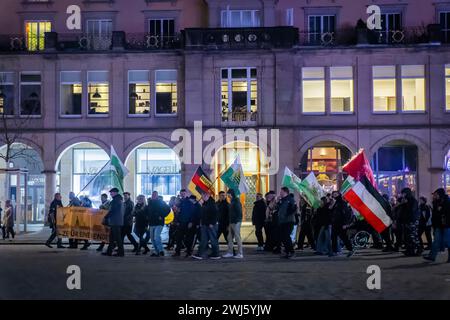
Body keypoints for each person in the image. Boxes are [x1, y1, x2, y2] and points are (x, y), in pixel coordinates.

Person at [424, 188, 450, 263]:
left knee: (447, 242)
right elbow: (435, 215)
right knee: (436, 241)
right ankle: (432, 256)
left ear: (440, 194)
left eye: (436, 195)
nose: (434, 196)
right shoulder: (436, 203)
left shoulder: (447, 202)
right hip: (438, 225)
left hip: (447, 225)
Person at [192, 192, 221, 260]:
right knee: (203, 240)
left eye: (203, 196)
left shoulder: (212, 203)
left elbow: (216, 214)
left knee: (213, 239)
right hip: (205, 224)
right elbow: (203, 214)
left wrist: (212, 223)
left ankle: (216, 254)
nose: (202, 197)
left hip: (211, 225)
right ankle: (200, 254)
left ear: (207, 195)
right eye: (202, 196)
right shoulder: (205, 203)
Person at [330, 191, 354, 257]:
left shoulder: (342, 203)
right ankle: (334, 251)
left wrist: (345, 224)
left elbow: (346, 214)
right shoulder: (335, 203)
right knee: (333, 237)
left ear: (339, 194)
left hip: (341, 224)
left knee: (344, 237)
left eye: (335, 194)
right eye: (333, 194)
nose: (334, 196)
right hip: (335, 223)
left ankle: (351, 250)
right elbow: (331, 211)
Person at [102, 188, 125, 257]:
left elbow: (112, 210)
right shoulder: (118, 200)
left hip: (115, 221)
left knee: (117, 238)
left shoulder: (116, 200)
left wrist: (105, 217)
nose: (110, 194)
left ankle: (121, 253)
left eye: (111, 193)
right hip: (116, 221)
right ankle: (109, 251)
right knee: (111, 238)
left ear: (115, 193)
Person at [147, 191, 170, 257]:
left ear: (157, 195)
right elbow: (148, 211)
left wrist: (162, 215)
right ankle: (157, 251)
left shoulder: (161, 202)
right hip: (151, 223)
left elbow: (168, 209)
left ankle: (161, 250)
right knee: (152, 238)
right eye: (152, 194)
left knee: (156, 236)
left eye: (155, 195)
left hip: (159, 223)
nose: (153, 196)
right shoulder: (150, 202)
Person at [173, 193, 196, 257]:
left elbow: (193, 213)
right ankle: (177, 252)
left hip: (187, 223)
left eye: (183, 194)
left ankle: (188, 252)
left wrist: (191, 222)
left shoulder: (189, 203)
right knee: (178, 238)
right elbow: (178, 213)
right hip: (181, 223)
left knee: (187, 239)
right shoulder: (180, 203)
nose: (182, 195)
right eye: (181, 194)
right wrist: (177, 220)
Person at [223, 189, 243, 259]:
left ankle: (240, 253)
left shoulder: (236, 202)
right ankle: (230, 252)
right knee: (229, 237)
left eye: (228, 194)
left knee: (237, 237)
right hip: (231, 222)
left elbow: (239, 213)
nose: (227, 196)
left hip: (236, 222)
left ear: (231, 194)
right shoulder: (232, 201)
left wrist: (237, 221)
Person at [276, 187, 296, 258]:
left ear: (285, 192)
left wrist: (286, 214)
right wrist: (278, 202)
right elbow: (278, 208)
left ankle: (292, 252)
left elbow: (294, 209)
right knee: (283, 237)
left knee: (286, 236)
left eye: (281, 192)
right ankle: (287, 252)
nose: (280, 193)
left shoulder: (290, 199)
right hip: (282, 221)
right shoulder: (282, 200)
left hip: (289, 221)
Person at [399, 188, 420, 256]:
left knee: (412, 236)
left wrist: (406, 203)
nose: (402, 195)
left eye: (403, 193)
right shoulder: (405, 201)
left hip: (412, 221)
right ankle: (409, 250)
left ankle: (417, 249)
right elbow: (402, 211)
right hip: (406, 221)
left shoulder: (413, 201)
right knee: (407, 236)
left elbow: (412, 211)